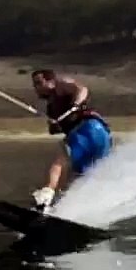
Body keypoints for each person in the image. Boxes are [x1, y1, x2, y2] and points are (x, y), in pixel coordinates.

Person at [29, 69, 113, 212]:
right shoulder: (52, 107)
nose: (36, 87)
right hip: (102, 134)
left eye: (38, 83)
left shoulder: (60, 86)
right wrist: (54, 124)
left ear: (50, 81)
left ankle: (47, 193)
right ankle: (82, 209)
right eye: (34, 84)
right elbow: (56, 129)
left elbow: (82, 89)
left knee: (61, 157)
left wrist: (76, 105)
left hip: (88, 128)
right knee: (84, 176)